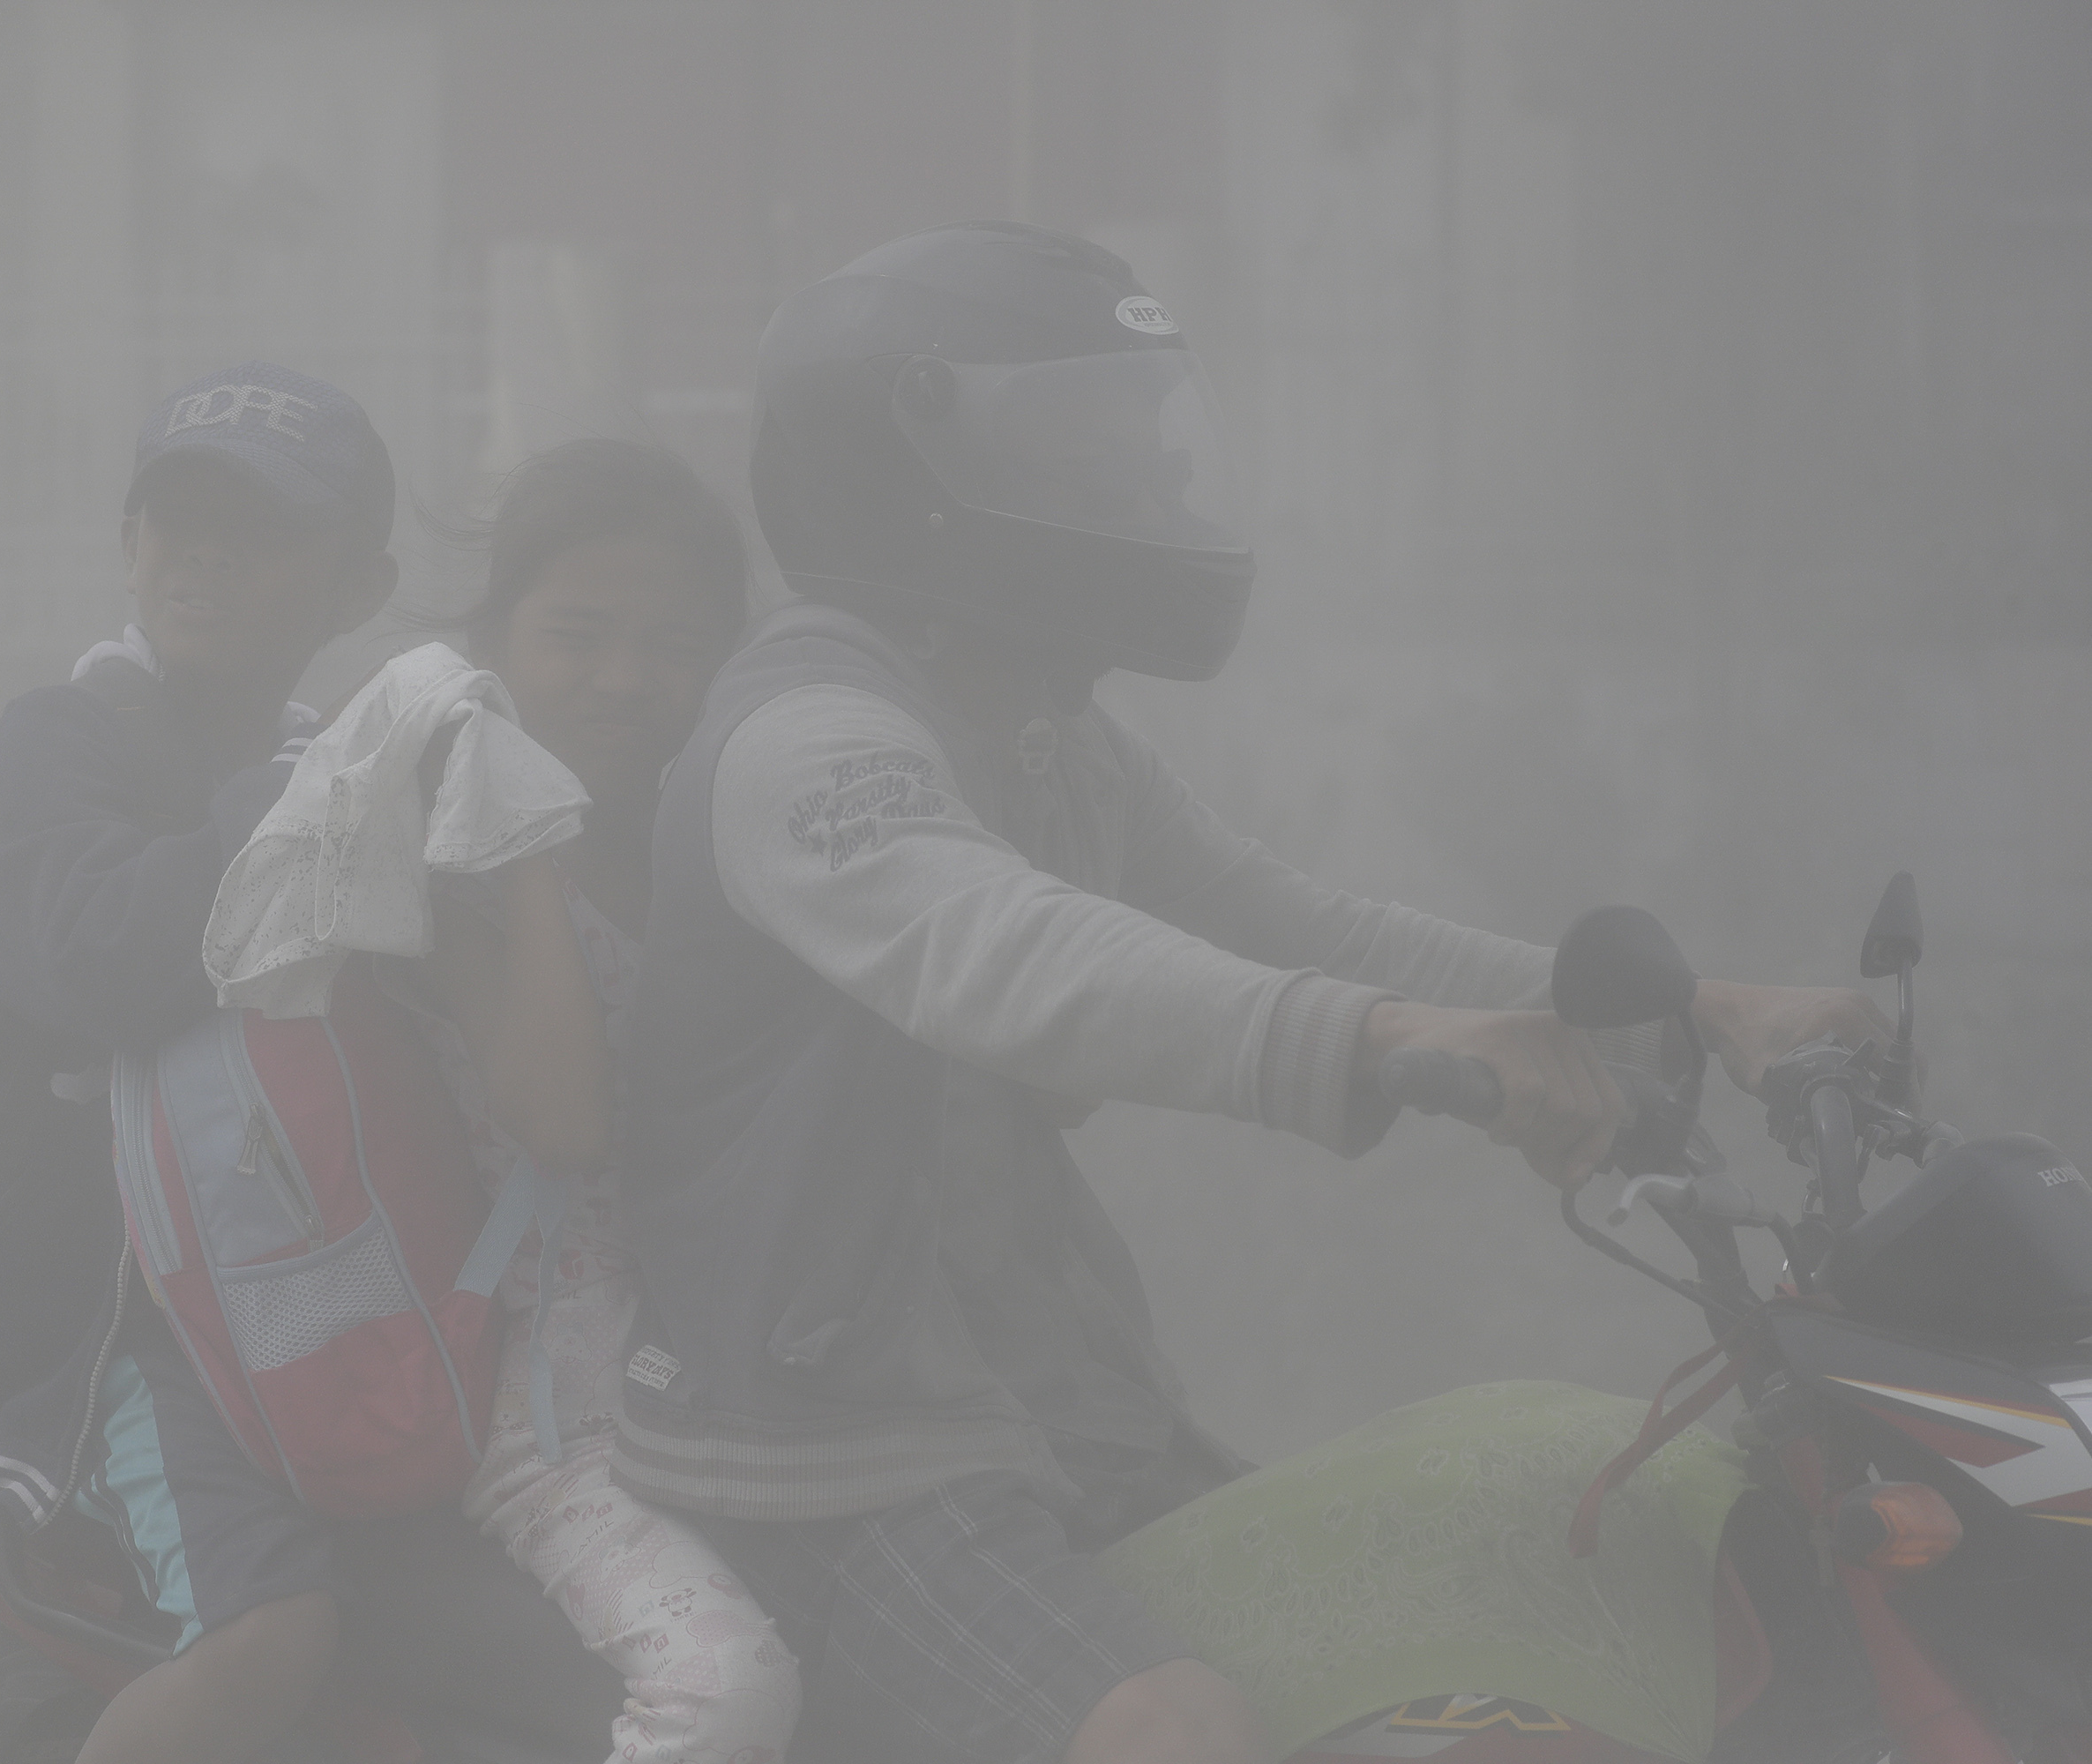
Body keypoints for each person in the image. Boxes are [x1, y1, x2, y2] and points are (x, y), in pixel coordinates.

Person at [609, 223, 1894, 1764]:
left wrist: (1687, 1012)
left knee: (1476, 1644)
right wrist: (1378, 1041)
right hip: (835, 1464)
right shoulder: (809, 741)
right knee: (1185, 1729)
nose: (1145, 492)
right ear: (916, 476)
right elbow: (1011, 954)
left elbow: (1294, 920)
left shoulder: (1042, 732)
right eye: (1092, 456)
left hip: (1050, 1408)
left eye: (1147, 446)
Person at [0, 363, 615, 1764]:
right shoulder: (59, 742)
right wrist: (317, 795)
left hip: (321, 1312)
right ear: (129, 545)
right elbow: (96, 956)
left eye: (261, 527)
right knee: (272, 1633)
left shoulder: (346, 777)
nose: (204, 550)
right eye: (176, 516)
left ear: (359, 586)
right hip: (99, 1336)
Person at [422, 440, 799, 1764]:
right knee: (730, 1693)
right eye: (578, 635)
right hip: (554, 1413)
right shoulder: (456, 873)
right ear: (493, 641)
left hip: (748, 1388)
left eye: (671, 644)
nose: (626, 678)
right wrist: (524, 823)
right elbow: (566, 1123)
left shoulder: (716, 849)